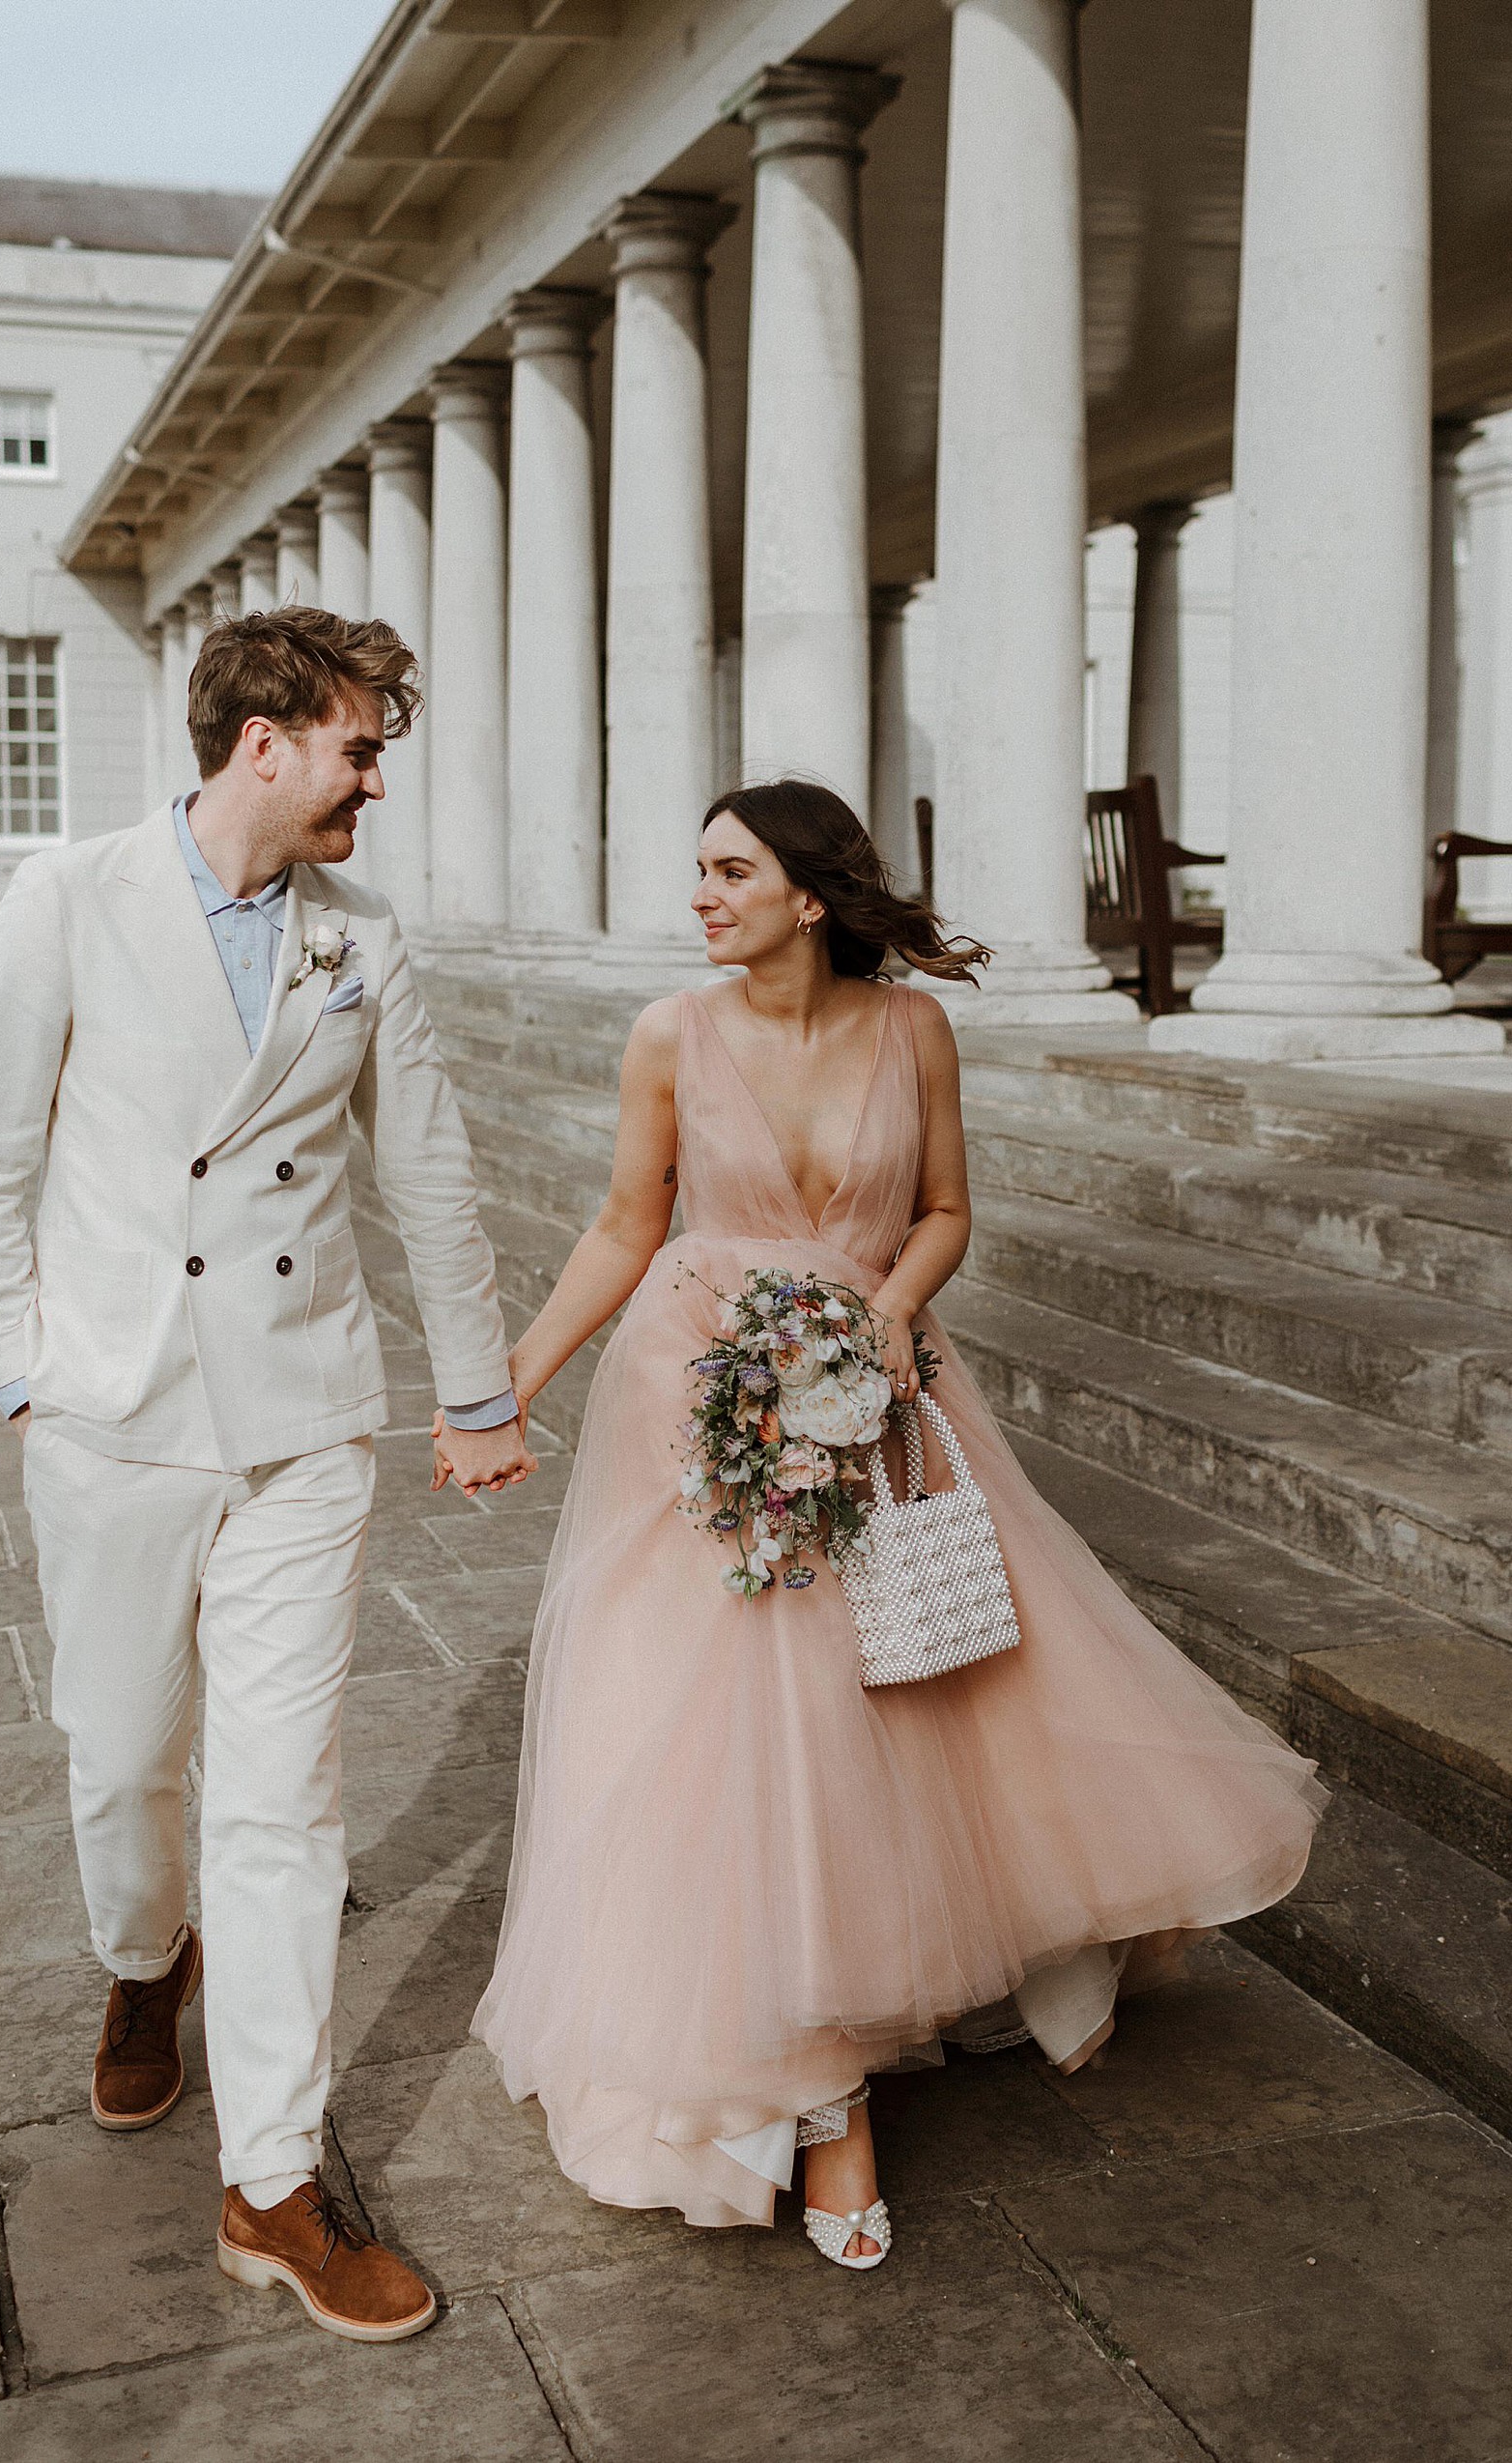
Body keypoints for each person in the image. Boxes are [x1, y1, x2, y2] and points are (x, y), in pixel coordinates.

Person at [474, 779, 1326, 2269]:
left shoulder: (911, 1030)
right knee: (748, 1721)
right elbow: (627, 1225)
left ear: (812, 895)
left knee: (921, 1678)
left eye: (729, 871)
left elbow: (944, 1208)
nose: (702, 895)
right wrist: (503, 1393)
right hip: (706, 1400)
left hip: (881, 1385)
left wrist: (877, 1317)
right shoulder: (669, 1035)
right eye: (700, 873)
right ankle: (819, 2093)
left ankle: (914, 1975)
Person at [0, 607, 534, 2341]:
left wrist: (475, 1387)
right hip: (111, 1419)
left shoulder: (364, 935)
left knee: (284, 1800)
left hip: (300, 1425)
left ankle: (272, 2178)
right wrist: (26, 1373)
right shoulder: (71, 897)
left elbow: (430, 1171)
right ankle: (141, 1960)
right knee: (125, 1763)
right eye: (358, 745)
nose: (376, 779)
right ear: (262, 738)